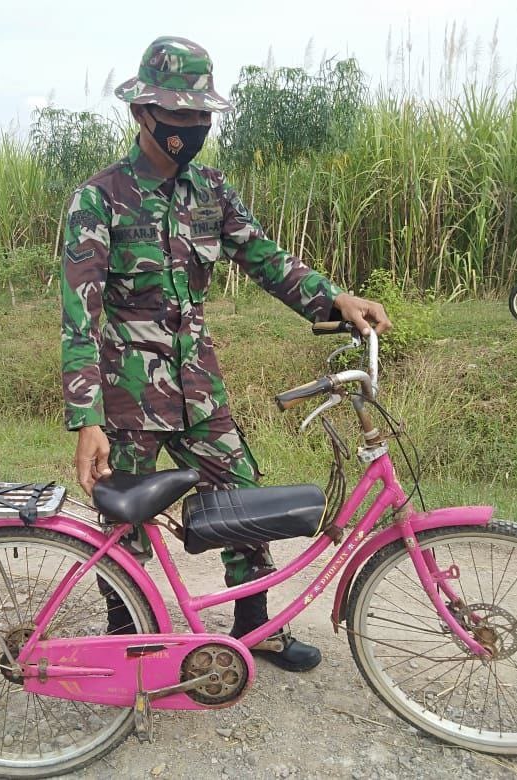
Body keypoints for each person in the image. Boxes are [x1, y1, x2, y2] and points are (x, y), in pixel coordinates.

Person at [61, 37, 391, 673]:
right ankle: (124, 640)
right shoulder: (100, 198)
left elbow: (264, 257)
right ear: (143, 114)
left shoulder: (210, 190)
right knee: (124, 528)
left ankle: (255, 628)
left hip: (199, 387)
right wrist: (87, 419)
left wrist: (334, 298)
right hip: (127, 397)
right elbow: (81, 315)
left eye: (201, 116)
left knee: (241, 499)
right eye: (180, 116)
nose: (193, 128)